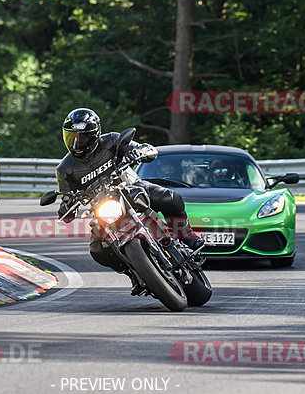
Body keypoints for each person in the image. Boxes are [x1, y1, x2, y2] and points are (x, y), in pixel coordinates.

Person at [55, 108, 204, 294]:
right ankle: (132, 271)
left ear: (94, 135)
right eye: (71, 137)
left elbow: (148, 150)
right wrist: (66, 206)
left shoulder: (111, 141)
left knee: (172, 198)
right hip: (102, 209)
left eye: (82, 138)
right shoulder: (64, 169)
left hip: (132, 188)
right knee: (98, 250)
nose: (76, 143)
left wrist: (140, 152)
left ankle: (186, 235)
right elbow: (66, 199)